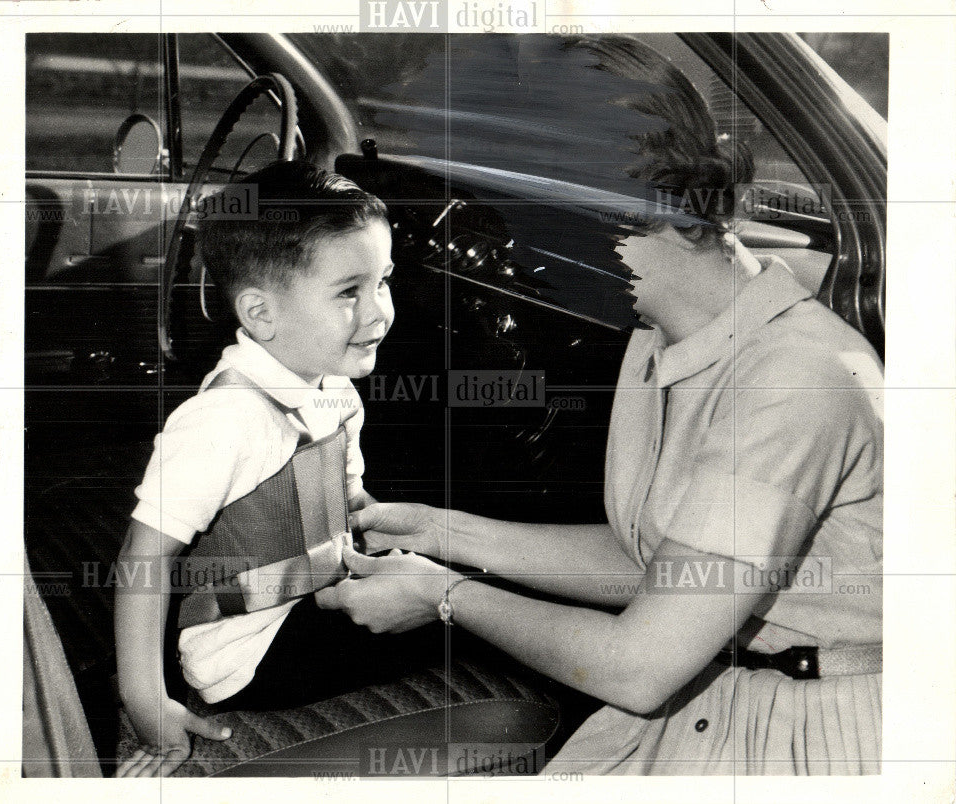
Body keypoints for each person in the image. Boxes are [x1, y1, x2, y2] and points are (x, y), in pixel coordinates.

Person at [316, 36, 883, 775]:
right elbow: (661, 559)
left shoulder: (793, 380)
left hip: (813, 732)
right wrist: (435, 530)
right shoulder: (661, 337)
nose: (516, 251)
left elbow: (638, 669)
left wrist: (444, 595)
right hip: (722, 687)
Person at [114, 162, 448, 777]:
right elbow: (143, 559)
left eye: (385, 282)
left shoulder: (334, 390)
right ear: (261, 315)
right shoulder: (222, 422)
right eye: (350, 291)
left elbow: (346, 501)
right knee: (469, 611)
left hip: (312, 598)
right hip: (249, 657)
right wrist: (145, 702)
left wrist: (393, 542)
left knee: (457, 580)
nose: (380, 314)